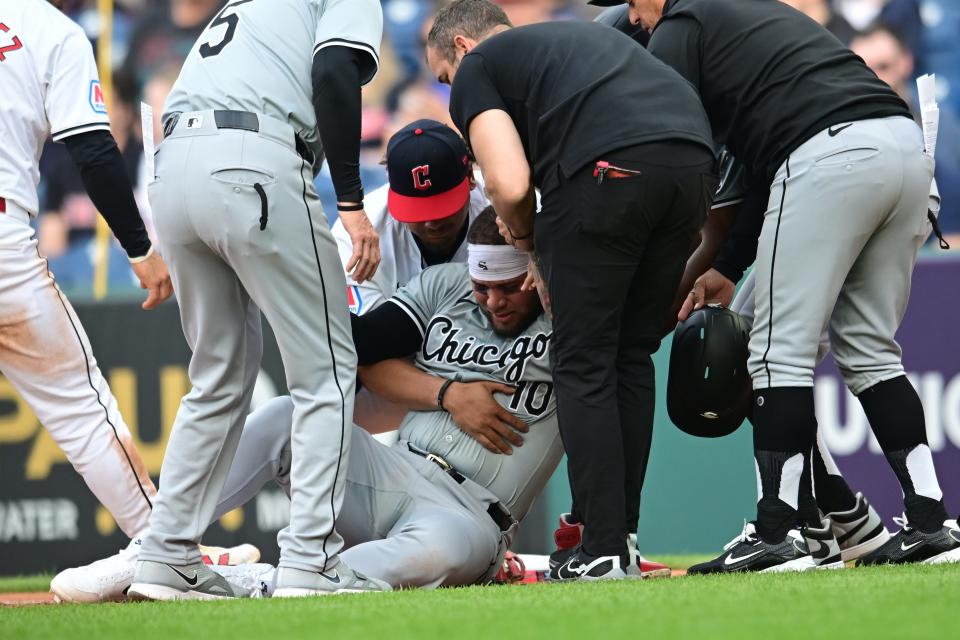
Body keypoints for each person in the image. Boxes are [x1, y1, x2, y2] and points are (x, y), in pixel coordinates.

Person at [616, 0, 959, 568]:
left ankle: (780, 532)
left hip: (832, 156)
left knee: (773, 354)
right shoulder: (757, 17)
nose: (634, 16)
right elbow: (765, 163)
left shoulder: (682, 24)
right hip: (905, 151)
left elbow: (671, 144)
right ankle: (931, 521)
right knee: (872, 353)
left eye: (633, 2)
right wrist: (727, 266)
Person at [425, 0, 717, 581]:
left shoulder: (481, 66)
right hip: (692, 163)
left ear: (461, 47)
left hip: (608, 168)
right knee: (629, 354)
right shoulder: (568, 47)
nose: (449, 91)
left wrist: (529, 241)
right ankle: (623, 540)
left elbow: (509, 184)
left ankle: (602, 547)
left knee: (581, 360)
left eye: (443, 78)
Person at [129, 0, 388, 601]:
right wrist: (351, 203)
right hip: (253, 161)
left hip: (172, 172)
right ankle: (311, 561)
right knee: (326, 373)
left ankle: (166, 555)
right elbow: (333, 72)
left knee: (216, 377)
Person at [0, 0, 253, 604]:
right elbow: (91, 149)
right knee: (81, 410)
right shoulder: (52, 31)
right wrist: (140, 249)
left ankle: (166, 543)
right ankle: (165, 546)